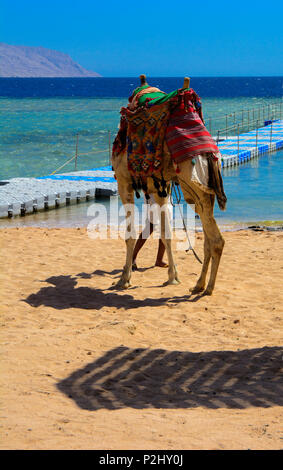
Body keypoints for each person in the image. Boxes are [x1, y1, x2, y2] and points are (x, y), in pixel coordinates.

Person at [132, 193, 172, 270]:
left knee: (165, 226)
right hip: (152, 193)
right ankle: (132, 258)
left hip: (166, 193)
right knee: (150, 226)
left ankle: (159, 260)